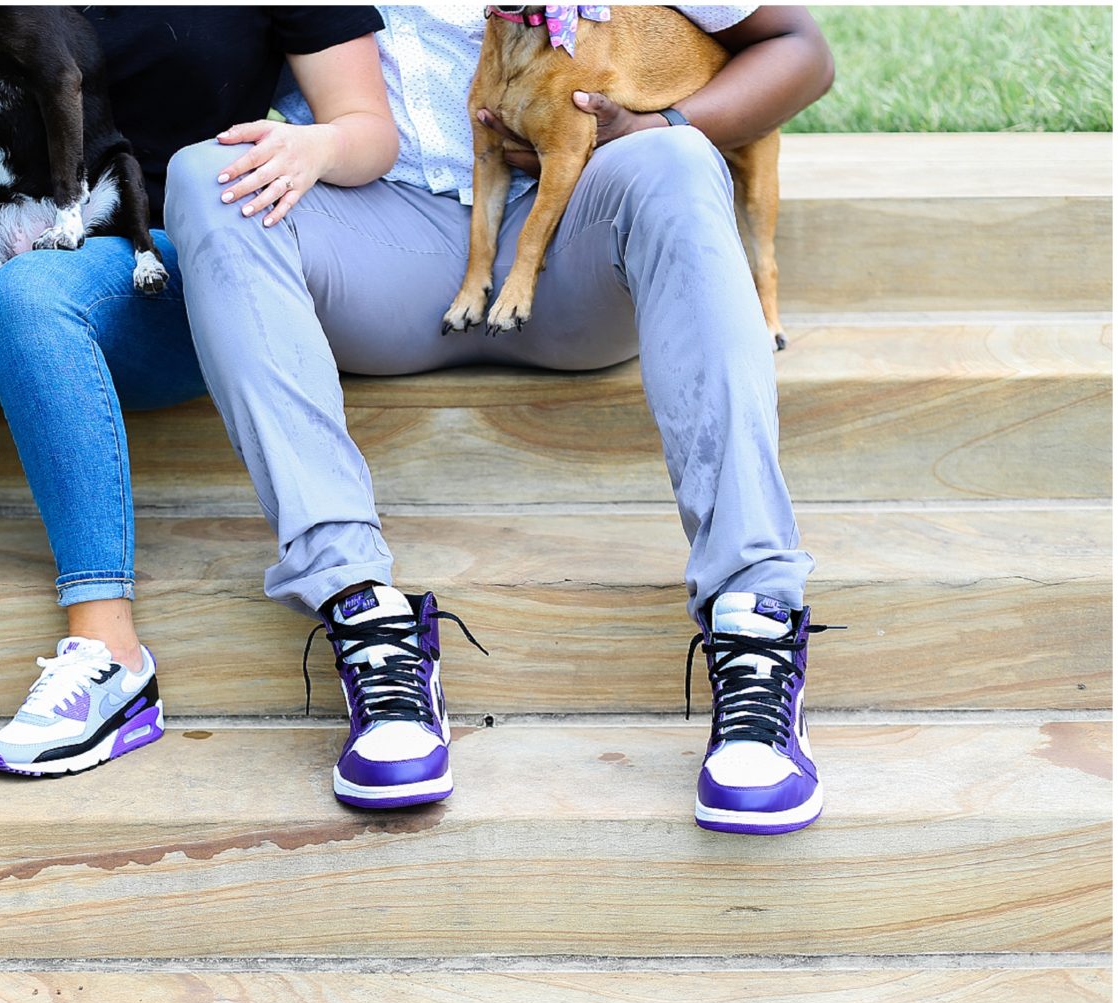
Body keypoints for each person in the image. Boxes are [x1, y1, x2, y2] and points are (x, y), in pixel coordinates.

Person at [163, 5, 836, 831]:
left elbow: (800, 51)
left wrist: (666, 120)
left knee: (677, 160)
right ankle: (362, 613)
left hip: (583, 250)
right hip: (386, 250)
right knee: (208, 173)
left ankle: (755, 621)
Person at [0, 5, 397, 782]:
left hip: (164, 255)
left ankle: (111, 657)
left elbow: (369, 129)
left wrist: (317, 145)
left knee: (35, 293)